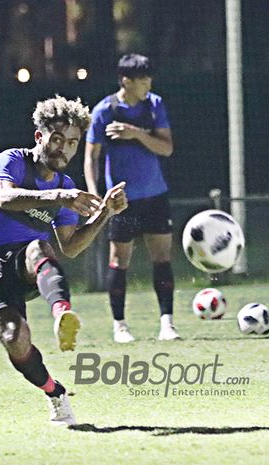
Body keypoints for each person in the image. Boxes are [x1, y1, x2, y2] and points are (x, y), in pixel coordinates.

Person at [0, 95, 128, 426]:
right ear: (40, 137)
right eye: (57, 139)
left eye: (73, 143)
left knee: (39, 247)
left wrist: (104, 213)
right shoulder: (10, 161)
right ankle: (55, 393)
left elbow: (71, 245)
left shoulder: (65, 186)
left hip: (28, 262)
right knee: (13, 338)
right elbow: (5, 197)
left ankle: (62, 315)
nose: (63, 149)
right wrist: (59, 197)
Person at [84, 53, 179, 343]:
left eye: (149, 77)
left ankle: (167, 324)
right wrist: (95, 195)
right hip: (123, 201)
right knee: (119, 260)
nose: (148, 83)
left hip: (155, 195)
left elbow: (166, 148)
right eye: (143, 79)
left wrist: (135, 133)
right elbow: (91, 156)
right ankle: (120, 326)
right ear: (126, 80)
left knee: (162, 258)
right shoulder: (105, 111)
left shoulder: (155, 106)